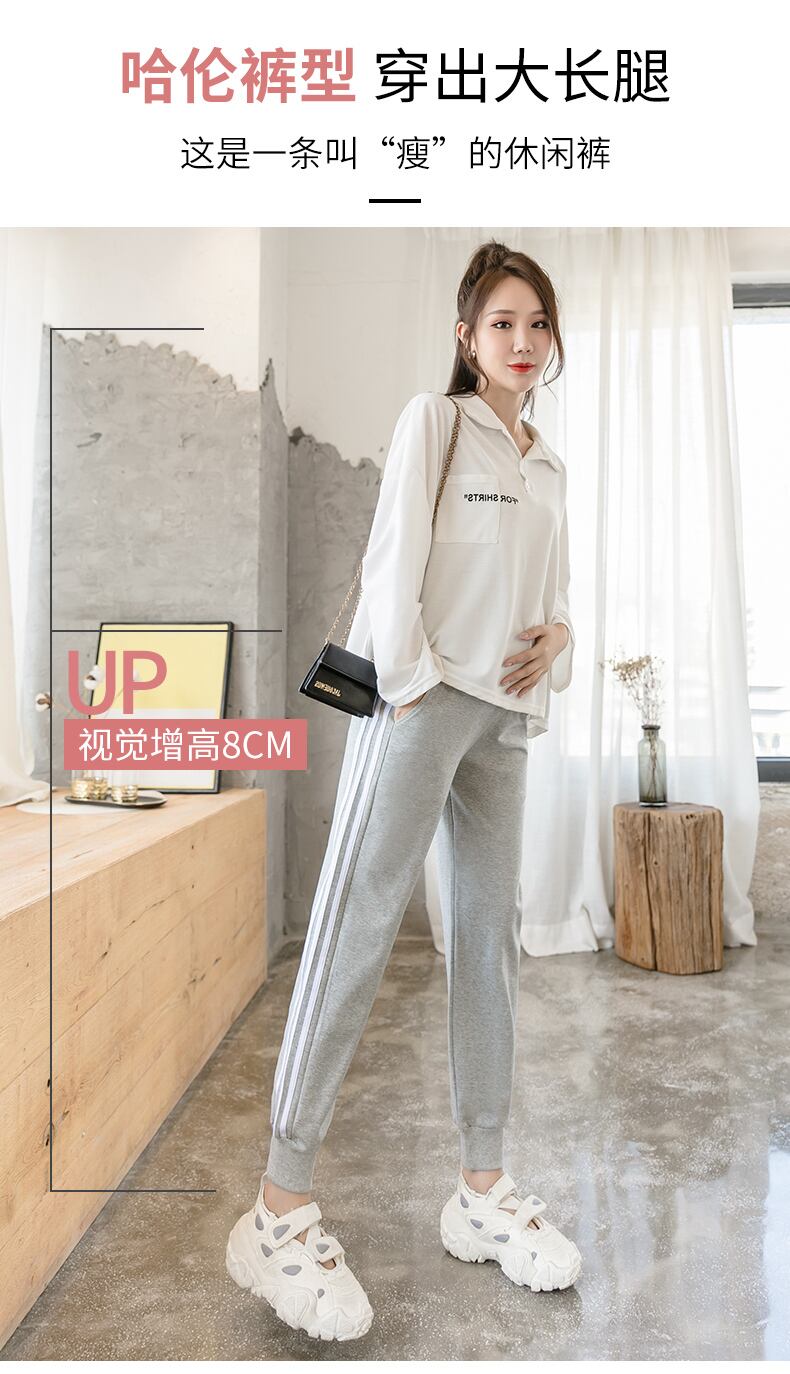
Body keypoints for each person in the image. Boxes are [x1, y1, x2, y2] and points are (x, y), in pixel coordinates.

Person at [226, 239, 582, 1341]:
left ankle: (480, 1188)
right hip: (422, 706)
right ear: (467, 338)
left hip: (503, 726)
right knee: (358, 926)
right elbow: (392, 565)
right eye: (502, 323)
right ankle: (277, 1206)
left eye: (537, 323)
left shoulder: (549, 466)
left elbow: (551, 598)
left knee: (486, 941)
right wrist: (417, 689)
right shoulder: (438, 423)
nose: (522, 340)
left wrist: (562, 639)